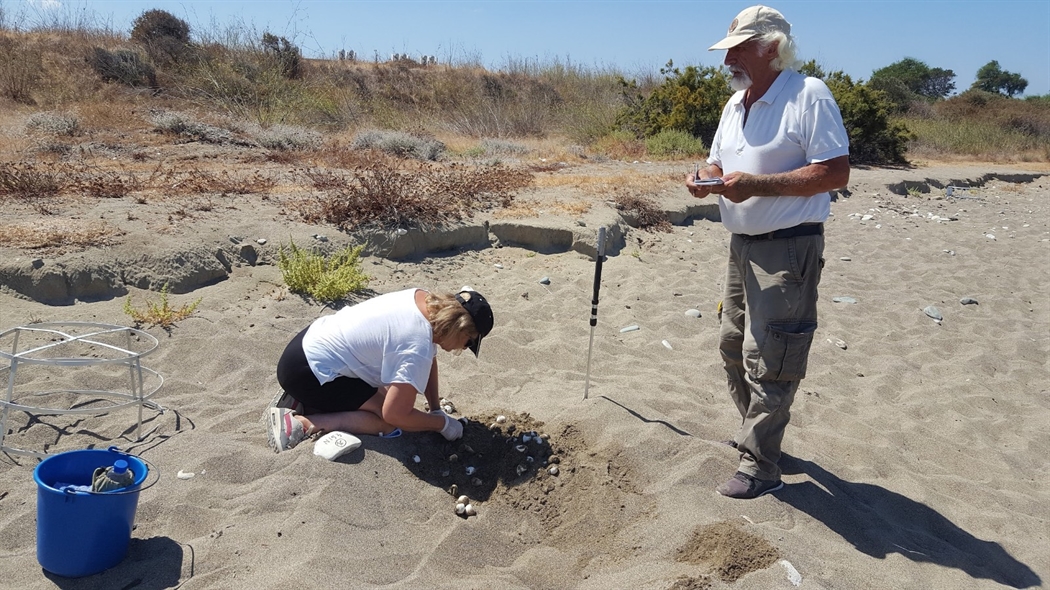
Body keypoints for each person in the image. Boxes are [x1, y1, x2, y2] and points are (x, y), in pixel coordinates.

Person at [686, 5, 850, 499]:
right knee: (732, 345)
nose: (727, 60)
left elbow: (834, 172)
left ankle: (761, 465)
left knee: (771, 356)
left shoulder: (808, 94)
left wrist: (757, 185)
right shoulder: (735, 103)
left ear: (771, 48)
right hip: (741, 245)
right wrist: (705, 178)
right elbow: (718, 162)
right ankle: (759, 438)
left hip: (788, 248)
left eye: (737, 49)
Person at [266, 287, 494, 453]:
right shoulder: (417, 347)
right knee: (388, 423)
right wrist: (442, 425)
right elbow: (394, 415)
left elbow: (428, 360)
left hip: (306, 345)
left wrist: (435, 409)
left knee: (390, 398)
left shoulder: (423, 301)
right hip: (307, 372)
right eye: (469, 343)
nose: (463, 349)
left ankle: (306, 401)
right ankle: (303, 423)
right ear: (461, 328)